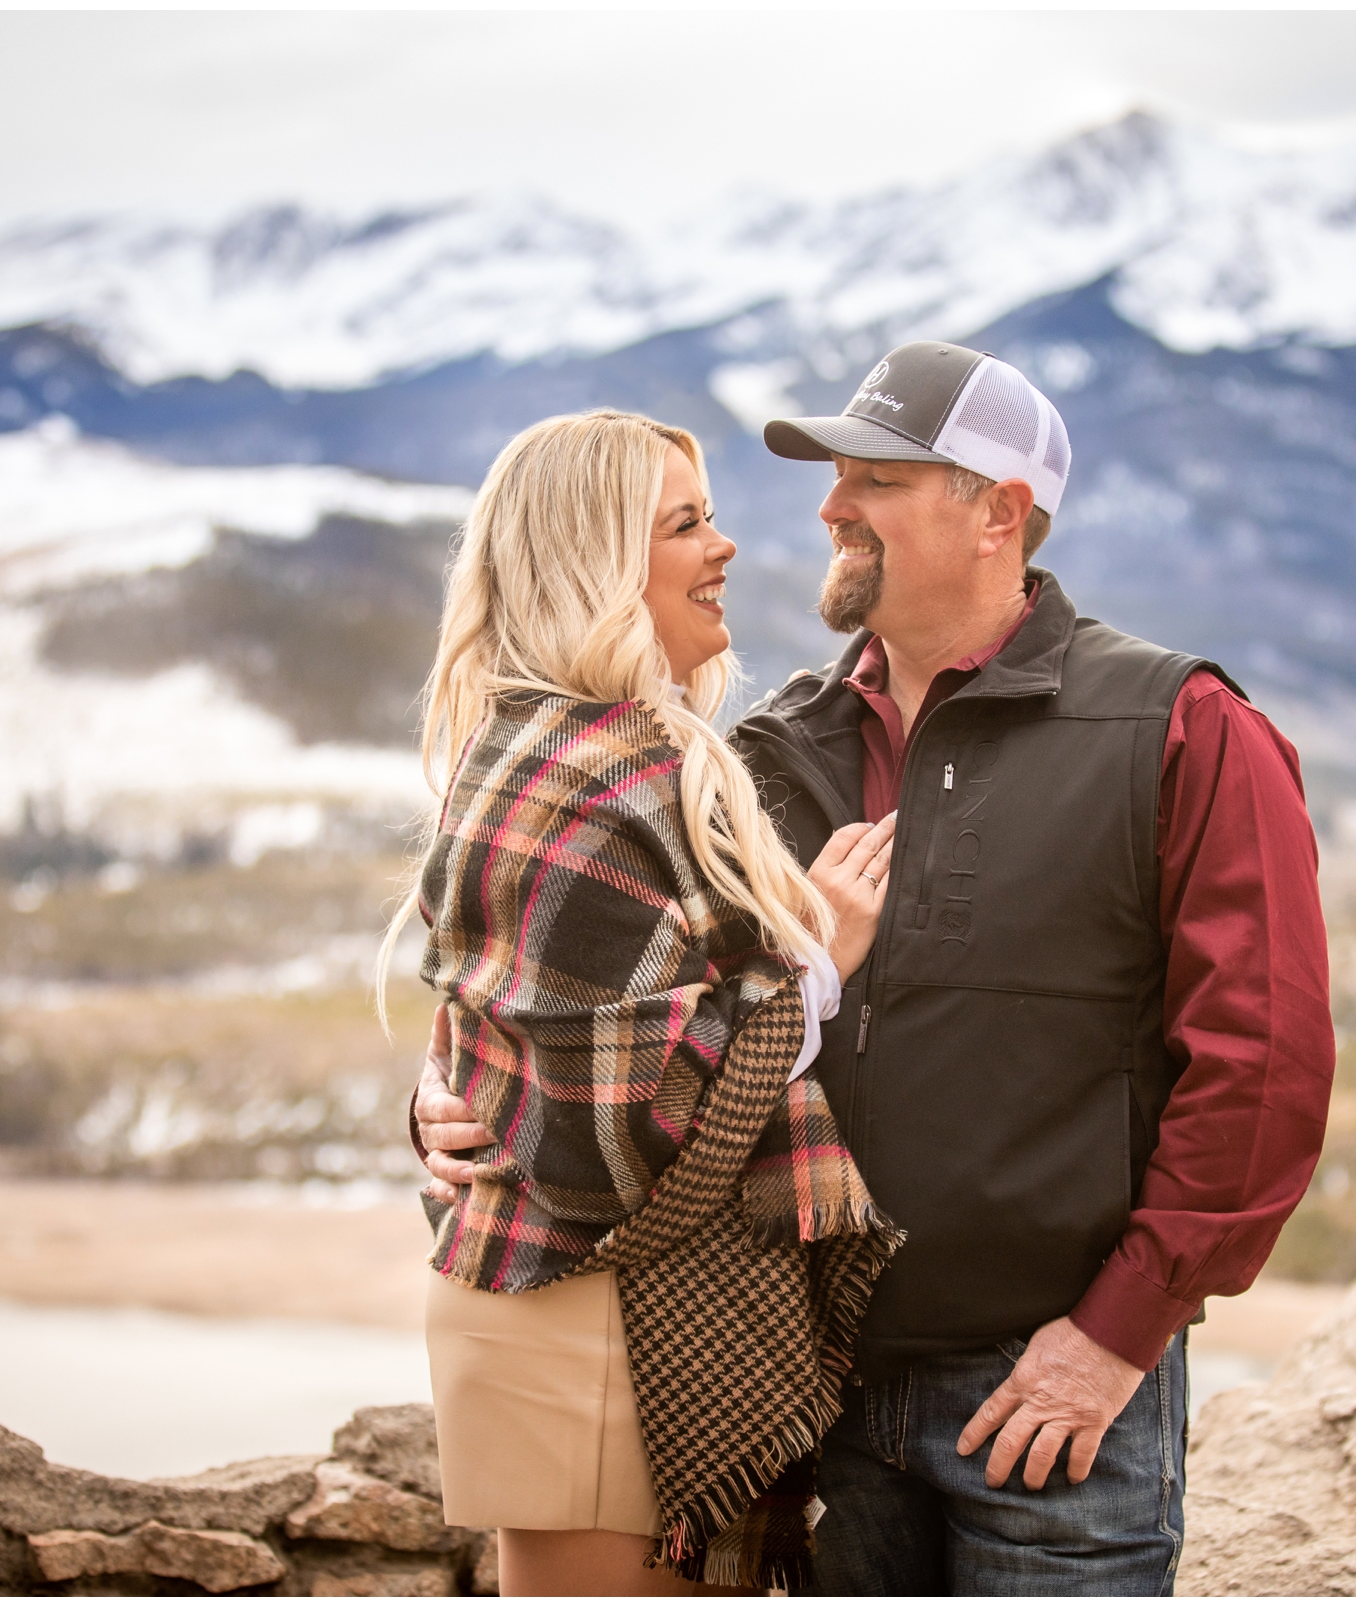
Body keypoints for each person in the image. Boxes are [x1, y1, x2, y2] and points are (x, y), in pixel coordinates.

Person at [420, 345, 1335, 1595]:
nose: (828, 507)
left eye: (875, 479)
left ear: (998, 511)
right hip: (812, 1408)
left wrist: (1117, 1335)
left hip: (1047, 1404)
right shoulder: (755, 755)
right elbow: (565, 981)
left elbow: (1262, 1067)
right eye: (833, 474)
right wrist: (450, 1102)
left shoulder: (1179, 730)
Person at [387, 409, 904, 1595]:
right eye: (685, 524)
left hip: (596, 1308)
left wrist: (447, 1095)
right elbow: (615, 1124)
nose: (722, 546)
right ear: (599, 562)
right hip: (589, 1322)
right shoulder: (599, 766)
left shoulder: (556, 743)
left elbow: (524, 1031)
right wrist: (817, 958)